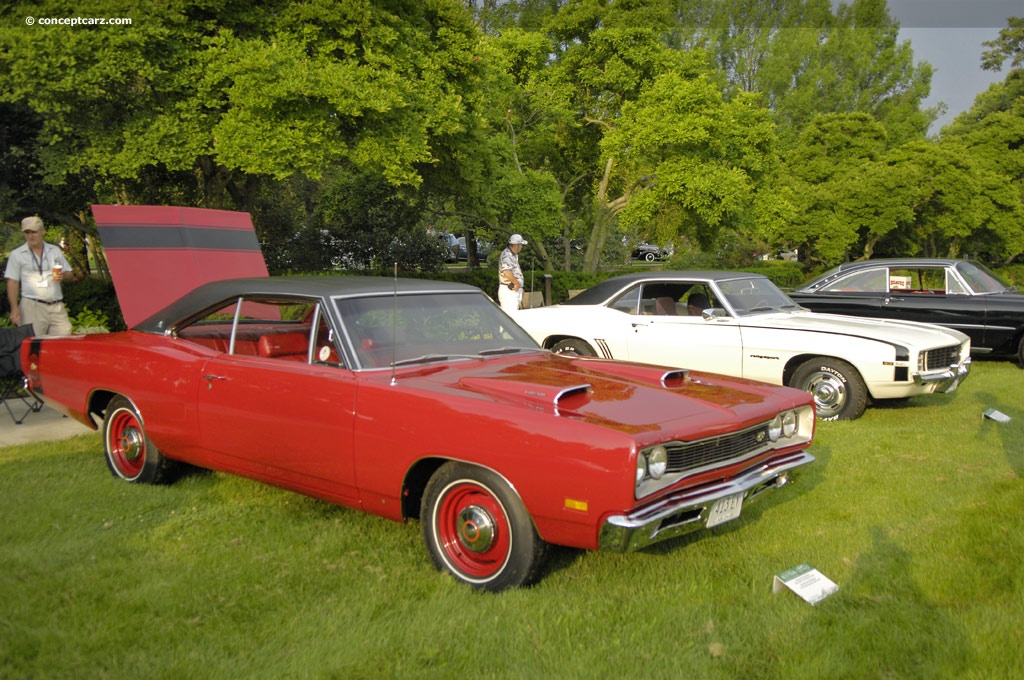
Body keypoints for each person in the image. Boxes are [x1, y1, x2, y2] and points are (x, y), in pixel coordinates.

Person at [5, 216, 74, 335]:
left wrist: (62, 276)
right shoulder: (17, 254)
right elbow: (13, 282)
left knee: (63, 341)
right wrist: (14, 308)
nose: (31, 236)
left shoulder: (54, 250)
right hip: (32, 307)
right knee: (33, 346)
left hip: (56, 306)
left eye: (34, 231)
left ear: (42, 231)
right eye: (27, 232)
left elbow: (70, 274)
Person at [498, 233, 527, 313]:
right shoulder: (507, 255)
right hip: (509, 291)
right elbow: (506, 271)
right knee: (511, 317)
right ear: (516, 245)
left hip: (513, 290)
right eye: (521, 245)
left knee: (513, 317)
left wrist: (520, 287)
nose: (521, 247)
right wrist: (516, 283)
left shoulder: (513, 255)